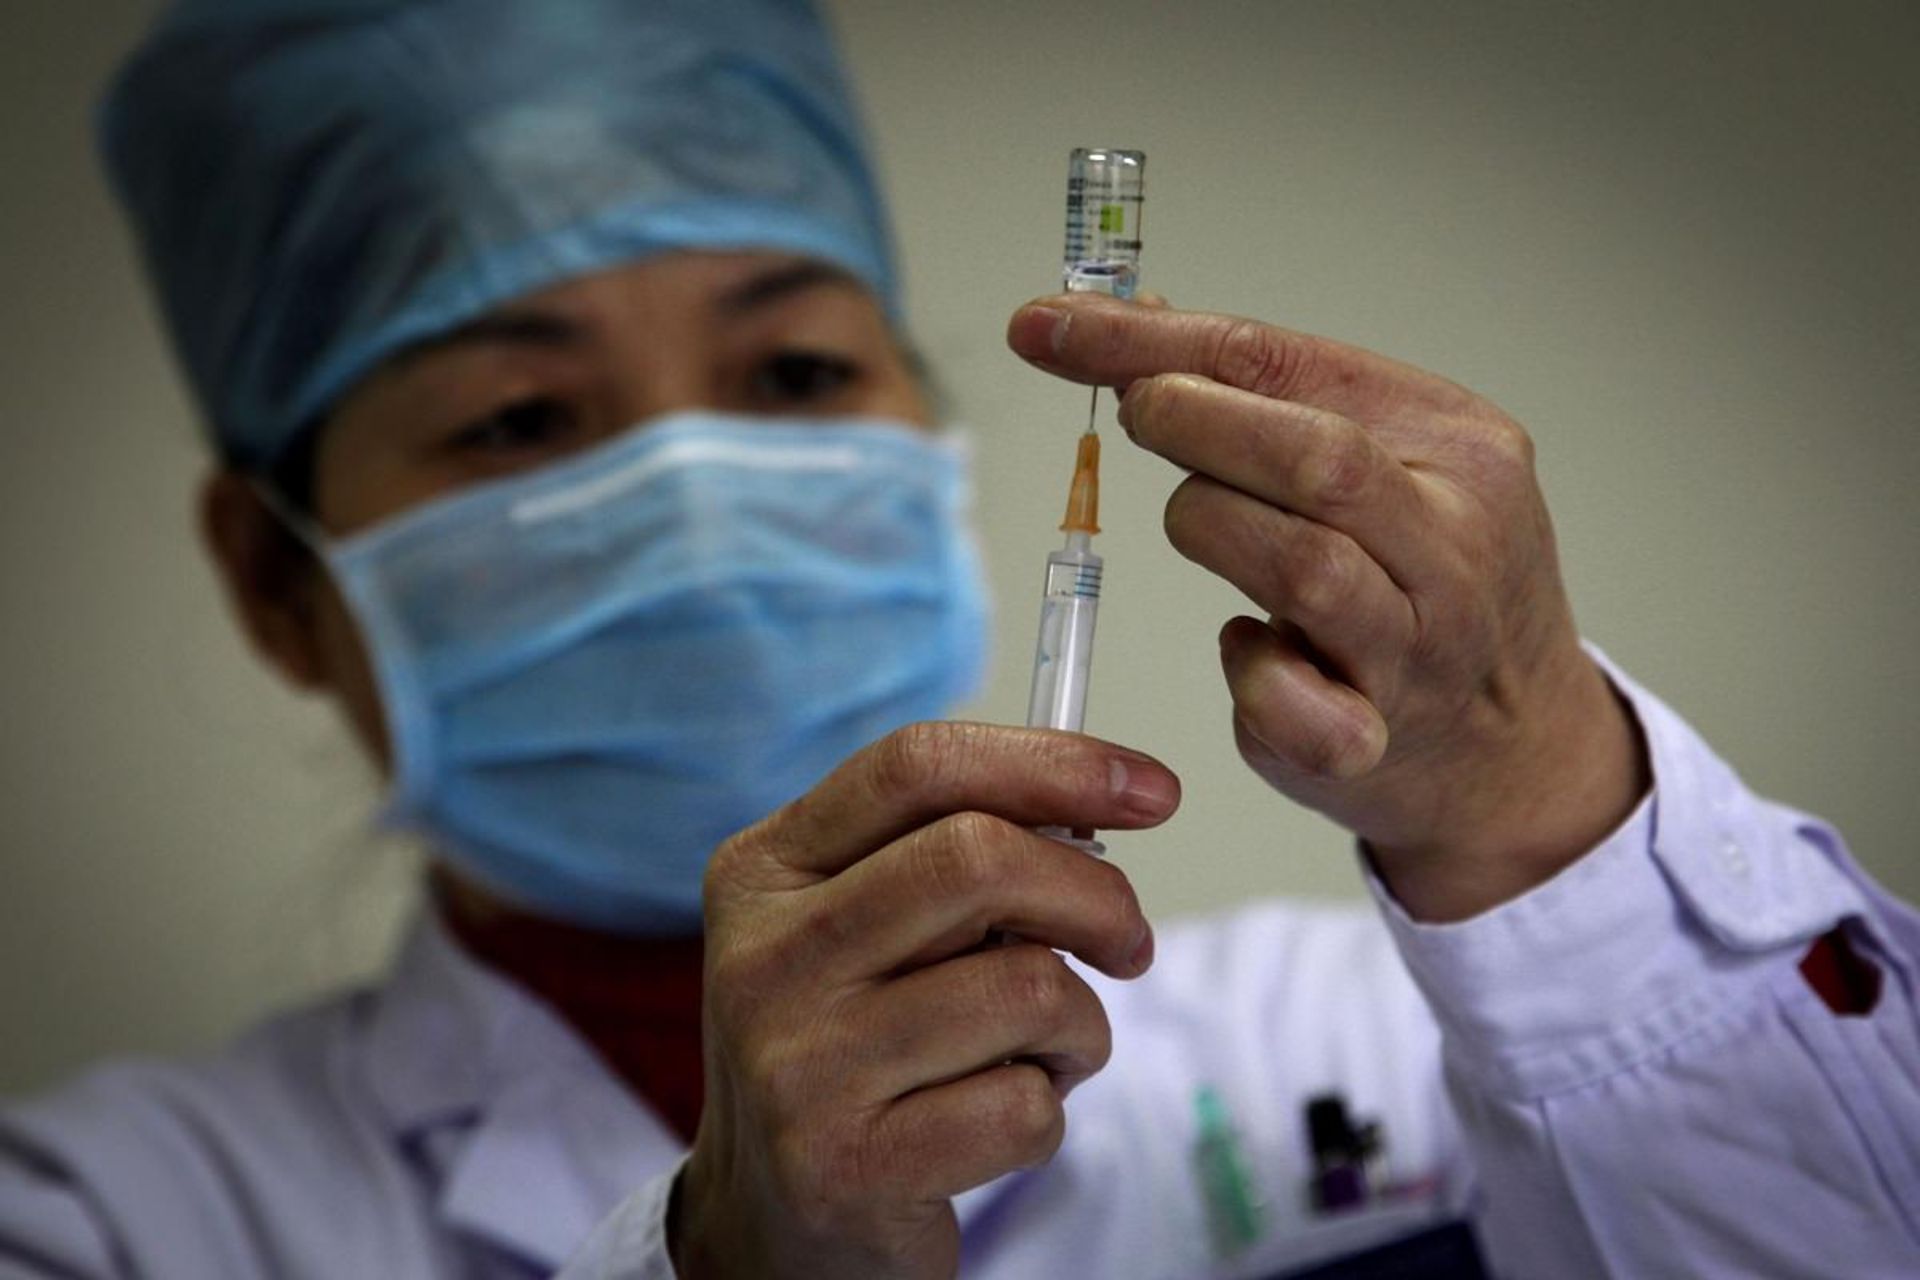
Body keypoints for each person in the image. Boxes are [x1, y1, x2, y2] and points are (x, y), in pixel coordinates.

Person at [3, 1, 1916, 1277]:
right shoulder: (108, 1223)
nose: (704, 501)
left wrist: (1536, 804)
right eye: (520, 418)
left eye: (793, 373)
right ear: (275, 583)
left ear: (929, 435)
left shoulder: (1370, 1040)